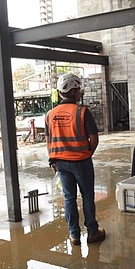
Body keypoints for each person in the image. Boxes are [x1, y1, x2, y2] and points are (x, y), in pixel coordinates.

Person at [46, 73, 106, 246]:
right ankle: (92, 232)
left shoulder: (50, 114)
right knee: (87, 196)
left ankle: (74, 235)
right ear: (73, 91)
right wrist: (87, 153)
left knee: (69, 198)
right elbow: (94, 138)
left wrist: (54, 161)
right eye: (78, 89)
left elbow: (48, 141)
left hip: (60, 163)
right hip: (81, 162)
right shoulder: (82, 111)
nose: (80, 93)